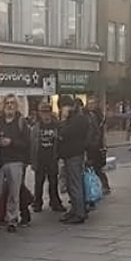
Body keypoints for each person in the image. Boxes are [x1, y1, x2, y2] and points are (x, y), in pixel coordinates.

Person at [0, 95, 30, 232]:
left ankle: (12, 218)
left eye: (12, 103)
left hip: (15, 161)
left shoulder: (21, 122)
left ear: (16, 105)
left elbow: (27, 143)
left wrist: (11, 142)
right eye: (7, 103)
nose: (9, 105)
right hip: (0, 161)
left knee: (14, 192)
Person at [58, 94, 89, 225]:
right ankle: (75, 209)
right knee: (71, 184)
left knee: (75, 184)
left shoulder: (78, 119)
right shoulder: (75, 118)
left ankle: (80, 212)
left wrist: (64, 119)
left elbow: (64, 133)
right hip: (68, 155)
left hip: (74, 155)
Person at [30, 101, 64, 213]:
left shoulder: (56, 125)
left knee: (53, 181)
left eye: (47, 111)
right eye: (42, 112)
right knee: (38, 182)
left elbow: (62, 140)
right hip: (40, 158)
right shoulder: (36, 127)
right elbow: (32, 143)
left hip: (52, 157)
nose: (45, 114)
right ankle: (37, 202)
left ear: (50, 112)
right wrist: (32, 160)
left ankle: (55, 202)